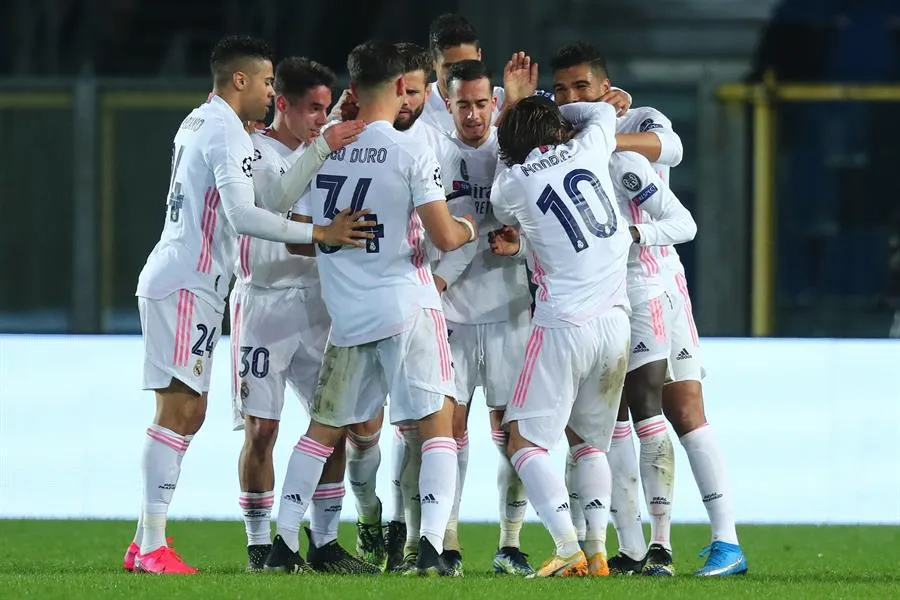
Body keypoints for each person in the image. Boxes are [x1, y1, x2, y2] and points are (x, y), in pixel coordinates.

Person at [124, 34, 372, 575]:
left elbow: (275, 194)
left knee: (184, 412)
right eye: (264, 81)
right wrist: (323, 232)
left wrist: (324, 143)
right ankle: (151, 547)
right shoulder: (225, 133)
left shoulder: (201, 122)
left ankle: (144, 539)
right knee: (181, 412)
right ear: (240, 80)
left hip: (191, 280)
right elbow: (244, 217)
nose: (268, 91)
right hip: (190, 279)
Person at [263, 40, 478, 577]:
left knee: (320, 432)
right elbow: (446, 235)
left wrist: (336, 243)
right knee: (436, 431)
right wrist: (476, 224)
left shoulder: (327, 147)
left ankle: (282, 545)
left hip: (348, 316)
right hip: (407, 307)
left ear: (353, 91)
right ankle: (430, 549)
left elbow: (295, 239)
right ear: (403, 88)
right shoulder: (411, 150)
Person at [552, 40, 748, 577]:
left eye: (582, 88)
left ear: (607, 89)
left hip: (653, 285)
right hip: (596, 293)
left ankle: (717, 540)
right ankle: (635, 546)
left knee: (679, 408)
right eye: (563, 89)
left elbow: (673, 148)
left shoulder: (638, 120)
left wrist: (599, 132)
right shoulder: (558, 132)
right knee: (611, 418)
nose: (571, 98)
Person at [229, 55, 380, 574]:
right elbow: (271, 212)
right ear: (283, 105)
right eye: (311, 108)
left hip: (317, 305)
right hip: (263, 307)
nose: (321, 118)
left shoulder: (329, 152)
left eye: (326, 107)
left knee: (331, 423)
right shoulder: (252, 151)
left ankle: (324, 541)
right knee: (262, 431)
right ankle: (257, 542)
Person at [490, 96, 631, 577]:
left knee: (523, 443)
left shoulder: (512, 182)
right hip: (616, 321)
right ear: (559, 130)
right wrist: (565, 110)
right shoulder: (592, 147)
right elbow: (602, 114)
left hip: (563, 323)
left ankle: (566, 546)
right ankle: (596, 551)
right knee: (591, 443)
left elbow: (498, 202)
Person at [437, 58, 536, 577]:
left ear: (494, 104)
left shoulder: (514, 148)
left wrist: (518, 245)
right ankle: (445, 540)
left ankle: (510, 543)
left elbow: (547, 220)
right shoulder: (433, 150)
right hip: (450, 311)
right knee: (445, 428)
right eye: (462, 105)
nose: (473, 115)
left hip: (508, 308)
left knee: (511, 430)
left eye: (481, 104)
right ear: (446, 102)